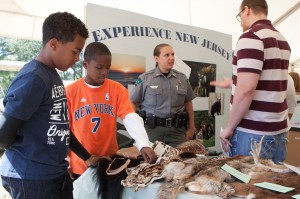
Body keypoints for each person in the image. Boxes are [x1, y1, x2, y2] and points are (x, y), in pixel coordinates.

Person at [0, 12, 99, 199]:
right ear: (53, 44)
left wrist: (88, 157)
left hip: (55, 173)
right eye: (75, 51)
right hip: (32, 178)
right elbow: (3, 135)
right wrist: (32, 153)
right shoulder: (34, 78)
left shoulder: (51, 74)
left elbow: (59, 127)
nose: (78, 58)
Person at [215, 0, 291, 163]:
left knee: (245, 187)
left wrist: (229, 128)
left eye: (240, 15)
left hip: (254, 134)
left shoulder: (251, 37)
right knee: (270, 187)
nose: (241, 20)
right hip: (278, 132)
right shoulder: (282, 40)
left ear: (247, 10)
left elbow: (247, 89)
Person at [66, 42, 156, 178]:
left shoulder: (117, 89)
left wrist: (143, 144)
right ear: (85, 65)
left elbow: (129, 116)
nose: (104, 72)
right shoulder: (70, 92)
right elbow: (63, 131)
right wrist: (65, 162)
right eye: (99, 68)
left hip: (109, 161)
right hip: (81, 163)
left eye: (108, 68)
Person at [130, 43, 196, 147]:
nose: (171, 58)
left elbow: (188, 104)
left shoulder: (182, 78)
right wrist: (135, 129)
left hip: (177, 133)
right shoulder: (145, 79)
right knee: (151, 161)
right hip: (152, 131)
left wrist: (191, 128)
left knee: (180, 161)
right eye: (167, 55)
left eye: (173, 54)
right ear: (156, 58)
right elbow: (133, 103)